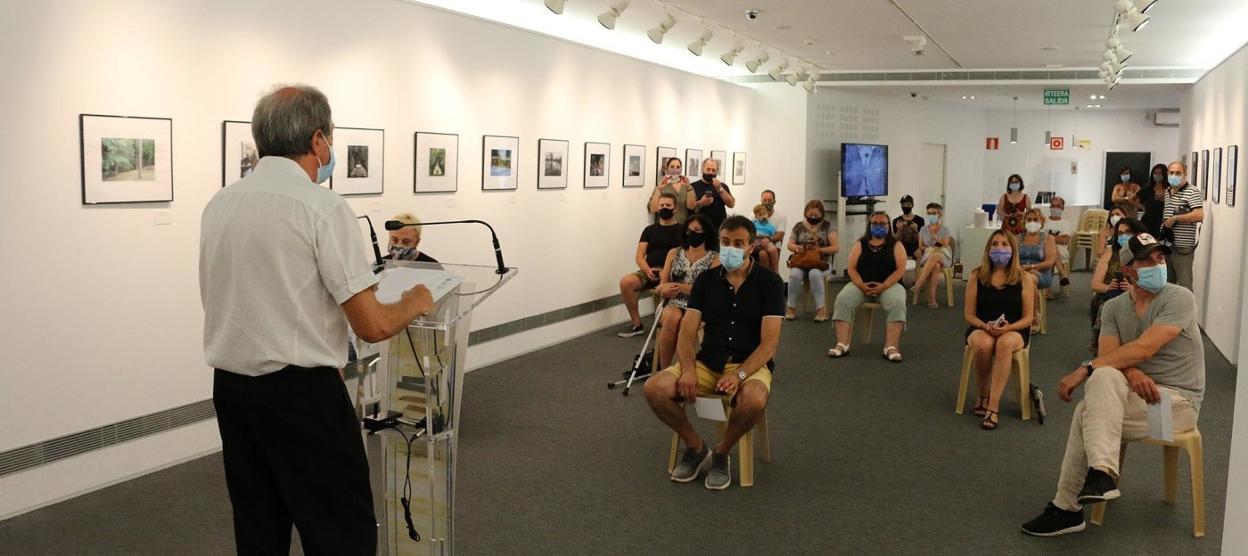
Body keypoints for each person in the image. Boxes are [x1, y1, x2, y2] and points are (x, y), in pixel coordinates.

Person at [200, 85, 435, 555]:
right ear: (317, 141)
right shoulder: (322, 207)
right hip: (302, 395)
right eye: (329, 138)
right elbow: (372, 325)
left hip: (233, 391)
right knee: (340, 531)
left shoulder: (220, 204)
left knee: (258, 527)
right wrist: (417, 298)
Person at [1020, 233, 1204, 537]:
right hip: (1131, 398)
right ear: (1129, 269)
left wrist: (1085, 368)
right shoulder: (1114, 308)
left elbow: (1144, 348)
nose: (1158, 263)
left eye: (1160, 257)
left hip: (1176, 408)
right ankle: (1100, 475)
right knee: (1104, 377)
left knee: (1085, 409)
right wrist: (1132, 374)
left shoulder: (1180, 297)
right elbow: (1108, 357)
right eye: (1148, 259)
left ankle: (1071, 503)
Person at [643, 216, 784, 490]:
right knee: (654, 388)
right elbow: (687, 332)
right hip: (708, 362)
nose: (731, 248)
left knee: (754, 399)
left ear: (751, 246)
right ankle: (696, 447)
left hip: (749, 364)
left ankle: (722, 452)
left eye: (738, 243)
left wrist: (741, 375)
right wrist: (688, 369)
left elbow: (769, 345)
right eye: (725, 242)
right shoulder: (706, 281)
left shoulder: (770, 284)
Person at [963, 229, 1035, 430]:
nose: (999, 249)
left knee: (1004, 343)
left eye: (1004, 244)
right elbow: (969, 314)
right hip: (982, 326)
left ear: (1013, 249)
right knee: (982, 343)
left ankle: (992, 407)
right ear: (988, 249)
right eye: (995, 244)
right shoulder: (977, 275)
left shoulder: (1024, 278)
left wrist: (1009, 327)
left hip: (1014, 329)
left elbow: (1029, 318)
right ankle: (982, 392)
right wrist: (984, 326)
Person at [827, 212, 908, 361]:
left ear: (888, 226)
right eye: (875, 223)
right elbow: (851, 268)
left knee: (897, 302)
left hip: (889, 285)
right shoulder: (860, 244)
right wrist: (861, 285)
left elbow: (900, 270)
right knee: (843, 299)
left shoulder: (896, 245)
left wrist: (883, 286)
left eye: (882, 224)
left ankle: (891, 347)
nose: (878, 226)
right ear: (869, 226)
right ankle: (841, 344)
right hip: (861, 284)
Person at [655, 215, 719, 368]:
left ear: (706, 233)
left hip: (699, 304)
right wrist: (663, 290)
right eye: (689, 230)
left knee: (686, 322)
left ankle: (686, 368)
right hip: (671, 301)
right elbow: (662, 284)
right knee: (672, 318)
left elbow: (708, 291)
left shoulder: (715, 258)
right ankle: (665, 370)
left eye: (697, 230)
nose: (692, 233)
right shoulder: (674, 253)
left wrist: (680, 287)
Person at [619, 193, 685, 337]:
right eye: (662, 205)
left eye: (668, 205)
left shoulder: (682, 230)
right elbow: (639, 255)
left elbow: (684, 256)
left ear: (675, 208)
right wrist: (647, 270)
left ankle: (667, 322)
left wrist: (666, 272)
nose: (664, 208)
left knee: (666, 309)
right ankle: (637, 324)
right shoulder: (649, 230)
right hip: (650, 271)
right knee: (626, 282)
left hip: (672, 274)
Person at [1088, 217, 1148, 354]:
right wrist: (1108, 287)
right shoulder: (1110, 253)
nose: (1123, 236)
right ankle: (1103, 350)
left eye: (1127, 232)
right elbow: (1095, 284)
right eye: (1120, 233)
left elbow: (1153, 286)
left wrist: (1132, 289)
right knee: (1106, 307)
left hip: (1138, 296)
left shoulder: (1145, 256)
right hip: (1111, 295)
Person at [785, 200, 839, 321]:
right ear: (806, 214)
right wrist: (800, 248)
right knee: (794, 274)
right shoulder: (799, 226)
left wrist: (819, 250)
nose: (813, 218)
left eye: (816, 216)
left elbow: (836, 247)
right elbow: (790, 245)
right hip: (801, 262)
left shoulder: (828, 226)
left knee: (814, 274)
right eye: (810, 215)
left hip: (821, 263)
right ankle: (791, 307)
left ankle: (820, 310)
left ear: (822, 215)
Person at [1161, 161, 1203, 289]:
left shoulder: (1192, 191)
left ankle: (1187, 309)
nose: (1174, 176)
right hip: (1167, 244)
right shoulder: (1168, 191)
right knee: (1167, 285)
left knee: (1185, 285)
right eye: (1171, 172)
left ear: (1185, 174)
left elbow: (1199, 215)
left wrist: (1176, 218)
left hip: (1183, 247)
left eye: (1178, 173)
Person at [910, 202, 953, 308]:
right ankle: (932, 299)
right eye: (929, 213)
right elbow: (921, 246)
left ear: (940, 214)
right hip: (928, 255)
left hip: (944, 255)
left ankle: (919, 284)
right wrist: (931, 248)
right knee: (936, 264)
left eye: (934, 213)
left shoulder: (945, 229)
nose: (931, 216)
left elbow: (946, 245)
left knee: (936, 256)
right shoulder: (923, 229)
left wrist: (936, 238)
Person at [1019, 208, 1058, 302]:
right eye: (1029, 219)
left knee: (1028, 280)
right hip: (1020, 271)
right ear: (1024, 222)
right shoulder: (1017, 238)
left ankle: (1033, 313)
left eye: (1035, 219)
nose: (1032, 222)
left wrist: (1030, 267)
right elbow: (1013, 259)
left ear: (1041, 222)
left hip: (1041, 273)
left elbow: (1050, 262)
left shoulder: (1048, 239)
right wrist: (1023, 270)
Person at [687, 158, 736, 229]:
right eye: (708, 169)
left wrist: (720, 189)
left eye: (713, 170)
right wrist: (701, 203)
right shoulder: (693, 186)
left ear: (717, 171)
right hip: (699, 228)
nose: (710, 172)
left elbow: (731, 204)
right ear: (702, 169)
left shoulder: (722, 186)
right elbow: (689, 208)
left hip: (719, 228)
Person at [650, 157, 691, 224]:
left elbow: (692, 207)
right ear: (667, 169)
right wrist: (659, 189)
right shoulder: (661, 186)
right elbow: (653, 209)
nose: (675, 169)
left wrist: (689, 187)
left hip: (682, 226)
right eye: (672, 166)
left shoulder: (686, 186)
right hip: (664, 225)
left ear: (681, 169)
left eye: (678, 167)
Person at [1046, 196, 1074, 294]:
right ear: (1049, 207)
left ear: (1062, 208)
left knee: (1052, 252)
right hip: (1046, 251)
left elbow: (1065, 240)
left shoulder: (1066, 223)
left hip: (1061, 252)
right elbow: (1040, 239)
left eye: (1058, 206)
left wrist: (1049, 239)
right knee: (1050, 252)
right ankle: (1063, 275)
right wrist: (1057, 239)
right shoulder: (1043, 221)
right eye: (1053, 206)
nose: (1055, 208)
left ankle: (1047, 290)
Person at [1137, 163, 1169, 238]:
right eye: (1155, 173)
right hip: (1147, 221)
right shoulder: (1147, 189)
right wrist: (1142, 207)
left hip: (1162, 221)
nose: (1157, 175)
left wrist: (1163, 199)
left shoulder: (1169, 189)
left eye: (1160, 173)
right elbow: (1133, 199)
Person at [892, 194, 924, 260]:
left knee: (920, 253)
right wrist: (899, 229)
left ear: (912, 205)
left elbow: (921, 241)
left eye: (908, 204)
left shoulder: (919, 220)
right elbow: (896, 240)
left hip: (915, 247)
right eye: (903, 205)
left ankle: (919, 270)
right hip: (901, 246)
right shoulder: (896, 220)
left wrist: (916, 230)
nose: (905, 206)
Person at [751, 204, 779, 272]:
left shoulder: (771, 226)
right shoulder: (754, 223)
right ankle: (765, 274)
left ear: (767, 214)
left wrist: (767, 238)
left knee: (773, 250)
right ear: (756, 217)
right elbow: (750, 233)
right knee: (762, 254)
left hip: (766, 241)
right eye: (760, 215)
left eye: (764, 214)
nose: (763, 216)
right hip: (756, 242)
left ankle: (775, 271)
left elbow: (772, 237)